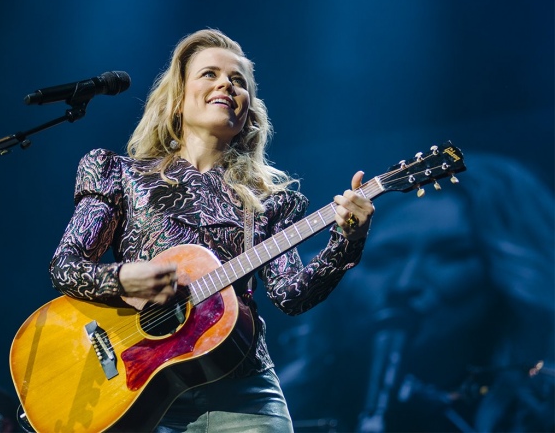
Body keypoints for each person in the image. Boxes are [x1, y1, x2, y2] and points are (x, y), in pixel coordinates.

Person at [49, 28, 375, 432]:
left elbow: (291, 296)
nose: (226, 84)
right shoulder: (120, 174)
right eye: (210, 74)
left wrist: (348, 240)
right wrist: (122, 277)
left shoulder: (268, 201)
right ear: (177, 99)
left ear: (248, 111)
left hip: (242, 392)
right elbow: (66, 266)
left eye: (238, 81)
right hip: (138, 382)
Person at [276, 153, 555, 432]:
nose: (405, 283)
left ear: (509, 269)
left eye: (450, 255)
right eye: (386, 257)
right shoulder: (283, 408)